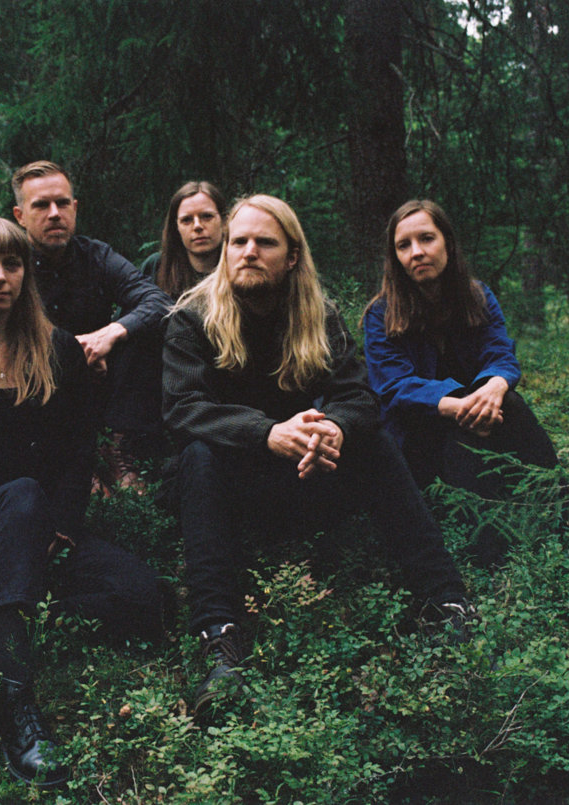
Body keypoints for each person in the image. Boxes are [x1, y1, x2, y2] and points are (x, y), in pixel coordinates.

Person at [162, 194, 473, 716]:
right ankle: (220, 638)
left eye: (265, 242)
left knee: (372, 441)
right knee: (198, 454)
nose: (248, 252)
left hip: (306, 473)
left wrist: (331, 428)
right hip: (229, 490)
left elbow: (360, 397)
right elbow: (183, 407)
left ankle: (447, 601)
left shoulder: (318, 314)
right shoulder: (192, 318)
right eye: (239, 241)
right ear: (225, 250)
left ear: (291, 256)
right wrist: (266, 432)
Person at [0, 217, 166, 788]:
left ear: (27, 274)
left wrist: (53, 539)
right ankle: (16, 701)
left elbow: (76, 458)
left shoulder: (59, 351)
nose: (0, 277)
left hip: (39, 532)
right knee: (21, 493)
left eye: (12, 264)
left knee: (146, 597)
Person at [362, 199, 557, 564]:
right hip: (417, 439)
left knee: (510, 403)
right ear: (395, 257)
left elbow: (499, 352)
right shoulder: (380, 314)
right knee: (461, 433)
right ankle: (486, 553)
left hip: (481, 419)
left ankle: (556, 506)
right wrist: (459, 405)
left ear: (447, 244)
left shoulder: (477, 296)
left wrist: (495, 387)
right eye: (404, 245)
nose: (416, 252)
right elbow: (393, 386)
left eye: (426, 238)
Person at [11, 161, 173, 493]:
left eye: (62, 203)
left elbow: (156, 301)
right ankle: (74, 463)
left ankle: (116, 448)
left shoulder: (96, 256)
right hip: (34, 385)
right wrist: (71, 353)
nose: (54, 214)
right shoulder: (9, 263)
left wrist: (109, 334)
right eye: (41, 205)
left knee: (143, 329)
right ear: (20, 216)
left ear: (75, 207)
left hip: (100, 385)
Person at [139, 181, 228, 298]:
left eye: (207, 216)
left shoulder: (239, 268)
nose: (197, 226)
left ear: (224, 221)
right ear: (176, 227)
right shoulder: (156, 268)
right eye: (186, 220)